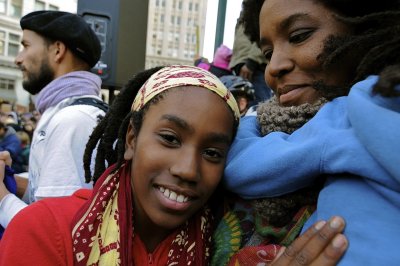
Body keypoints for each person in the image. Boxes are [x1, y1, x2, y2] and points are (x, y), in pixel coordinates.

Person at [0, 65, 348, 265]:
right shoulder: (45, 231)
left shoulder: (231, 243)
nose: (187, 169)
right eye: (169, 138)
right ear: (132, 139)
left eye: (213, 153)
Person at [218, 0, 400, 265]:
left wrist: (248, 123)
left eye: (299, 36)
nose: (273, 68)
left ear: (365, 28)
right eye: (267, 53)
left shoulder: (355, 109)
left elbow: (245, 167)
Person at [0, 11, 106, 230]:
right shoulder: (65, 111)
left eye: (26, 45)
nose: (18, 58)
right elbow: (48, 196)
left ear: (57, 50)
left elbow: (53, 235)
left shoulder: (74, 120)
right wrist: (8, 179)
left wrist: (1, 199)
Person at [229, 9, 273, 107]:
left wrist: (252, 61)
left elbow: (263, 35)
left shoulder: (258, 6)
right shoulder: (246, 8)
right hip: (244, 64)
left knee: (257, 107)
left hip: (254, 66)